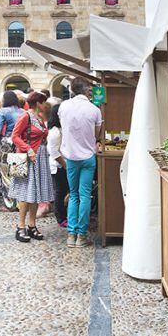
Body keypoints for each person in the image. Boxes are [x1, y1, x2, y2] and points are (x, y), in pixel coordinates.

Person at [59, 78, 103, 247]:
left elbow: (64, 126)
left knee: (74, 194)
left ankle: (71, 234)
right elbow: (97, 133)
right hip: (87, 156)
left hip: (70, 157)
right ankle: (81, 236)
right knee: (85, 195)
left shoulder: (64, 107)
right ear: (86, 90)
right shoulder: (94, 110)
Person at [9, 93, 52, 242]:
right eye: (43, 102)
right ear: (38, 103)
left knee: (36, 194)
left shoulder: (39, 117)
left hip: (39, 158)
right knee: (25, 195)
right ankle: (20, 227)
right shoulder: (25, 116)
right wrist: (28, 148)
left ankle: (32, 225)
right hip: (27, 158)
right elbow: (14, 136)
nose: (45, 104)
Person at [0, 91, 26, 201]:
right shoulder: (23, 111)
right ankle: (20, 201)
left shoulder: (3, 112)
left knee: (6, 172)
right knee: (18, 172)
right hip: (20, 143)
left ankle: (10, 202)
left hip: (7, 143)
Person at [47, 102, 70, 228]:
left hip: (63, 164)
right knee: (60, 192)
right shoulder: (55, 132)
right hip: (59, 166)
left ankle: (63, 215)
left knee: (63, 191)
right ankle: (60, 217)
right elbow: (54, 152)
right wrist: (64, 164)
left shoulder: (60, 129)